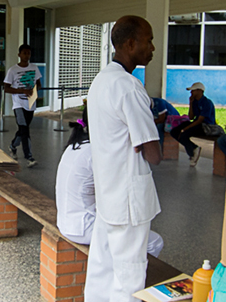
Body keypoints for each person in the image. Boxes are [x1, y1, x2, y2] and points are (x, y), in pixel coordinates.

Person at [78, 16, 167, 302]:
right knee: (129, 285)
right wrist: (153, 131)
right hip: (129, 202)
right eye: (147, 41)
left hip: (108, 196)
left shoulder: (101, 82)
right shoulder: (130, 88)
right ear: (129, 44)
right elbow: (153, 154)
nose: (151, 48)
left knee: (100, 272)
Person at [56, 107, 164, 258]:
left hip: (68, 221)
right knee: (154, 242)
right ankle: (136, 279)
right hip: (84, 228)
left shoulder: (78, 144)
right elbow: (119, 193)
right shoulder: (97, 152)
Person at [3, 44, 42, 168]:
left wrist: (33, 91)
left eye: (28, 53)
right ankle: (29, 157)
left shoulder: (34, 68)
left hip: (30, 103)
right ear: (19, 55)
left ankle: (13, 146)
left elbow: (38, 84)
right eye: (24, 53)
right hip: (18, 104)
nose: (27, 55)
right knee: (25, 130)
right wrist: (22, 91)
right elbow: (6, 88)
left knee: (22, 130)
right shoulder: (12, 70)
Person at [169, 82, 216, 167]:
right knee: (174, 131)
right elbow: (191, 117)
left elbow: (200, 120)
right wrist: (190, 103)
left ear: (200, 91)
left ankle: (192, 153)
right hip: (196, 123)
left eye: (193, 91)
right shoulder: (195, 102)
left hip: (206, 126)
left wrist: (186, 129)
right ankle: (194, 148)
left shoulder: (207, 103)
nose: (191, 93)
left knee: (184, 134)